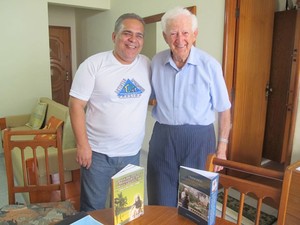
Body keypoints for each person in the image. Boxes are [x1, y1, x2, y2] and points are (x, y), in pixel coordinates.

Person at [147, 6, 231, 207]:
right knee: (161, 199)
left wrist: (222, 148)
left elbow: (224, 108)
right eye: (173, 33)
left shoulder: (209, 65)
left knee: (195, 204)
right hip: (163, 137)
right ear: (165, 36)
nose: (179, 39)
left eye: (185, 33)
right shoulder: (156, 62)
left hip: (199, 140)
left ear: (195, 35)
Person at [69, 13, 151, 211]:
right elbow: (75, 105)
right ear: (114, 36)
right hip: (97, 154)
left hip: (132, 153)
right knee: (93, 208)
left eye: (139, 35)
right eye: (127, 33)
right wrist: (82, 145)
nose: (133, 40)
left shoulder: (147, 64)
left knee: (129, 209)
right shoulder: (93, 65)